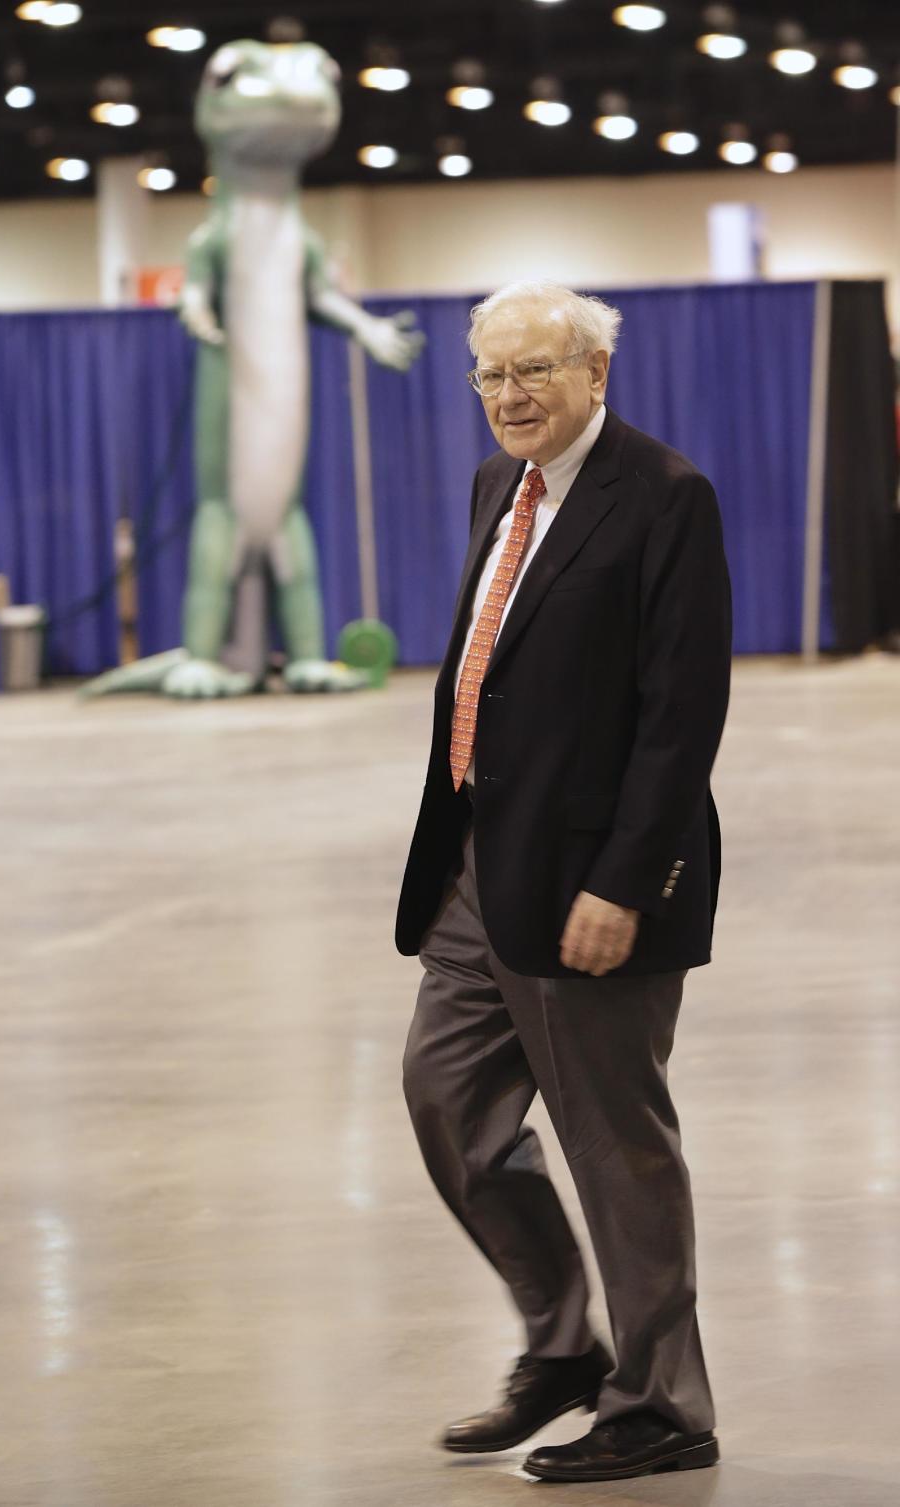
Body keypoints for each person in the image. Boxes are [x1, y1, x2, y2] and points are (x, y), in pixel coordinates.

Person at [396, 281, 732, 1484]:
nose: (509, 395)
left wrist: (627, 881)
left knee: (615, 1147)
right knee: (449, 1103)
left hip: (598, 882)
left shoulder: (664, 496)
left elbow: (680, 713)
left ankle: (661, 1403)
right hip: (485, 865)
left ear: (597, 373)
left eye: (534, 370)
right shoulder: (503, 488)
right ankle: (562, 1345)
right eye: (490, 375)